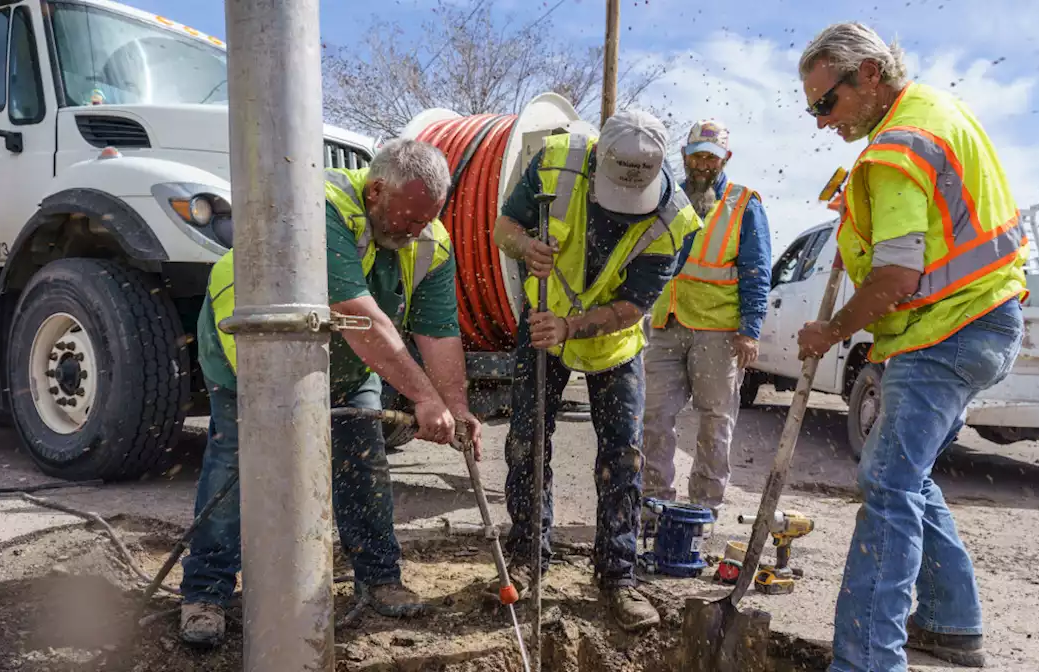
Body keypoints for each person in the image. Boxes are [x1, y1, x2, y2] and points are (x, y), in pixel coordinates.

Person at [179, 138, 485, 647]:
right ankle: (205, 593)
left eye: (424, 222)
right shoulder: (317, 208)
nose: (413, 235)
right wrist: (422, 398)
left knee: (362, 459)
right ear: (376, 191)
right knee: (236, 465)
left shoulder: (429, 239)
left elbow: (439, 330)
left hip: (342, 361)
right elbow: (359, 315)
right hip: (250, 355)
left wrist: (455, 405)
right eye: (407, 220)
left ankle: (380, 578)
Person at [796, 22, 1028, 671]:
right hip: (980, 322)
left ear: (869, 74)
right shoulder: (934, 114)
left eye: (826, 103)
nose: (821, 122)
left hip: (949, 332)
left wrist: (831, 332)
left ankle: (869, 659)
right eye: (813, 109)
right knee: (907, 473)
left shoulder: (896, 148)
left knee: (888, 483)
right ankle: (952, 623)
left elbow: (897, 276)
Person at [490, 109, 701, 632]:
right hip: (543, 321)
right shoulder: (557, 163)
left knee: (623, 459)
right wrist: (526, 246)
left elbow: (633, 307)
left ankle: (617, 576)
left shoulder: (675, 221)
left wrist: (572, 327)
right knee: (527, 439)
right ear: (596, 161)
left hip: (613, 341)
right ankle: (529, 556)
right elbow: (503, 228)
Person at [640, 119, 772, 522]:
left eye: (711, 158)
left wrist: (750, 330)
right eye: (697, 156)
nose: (703, 165)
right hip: (667, 322)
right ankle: (653, 500)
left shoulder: (744, 203)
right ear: (684, 156)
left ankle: (703, 507)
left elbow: (756, 270)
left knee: (715, 420)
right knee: (655, 415)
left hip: (718, 331)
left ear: (724, 159)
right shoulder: (666, 197)